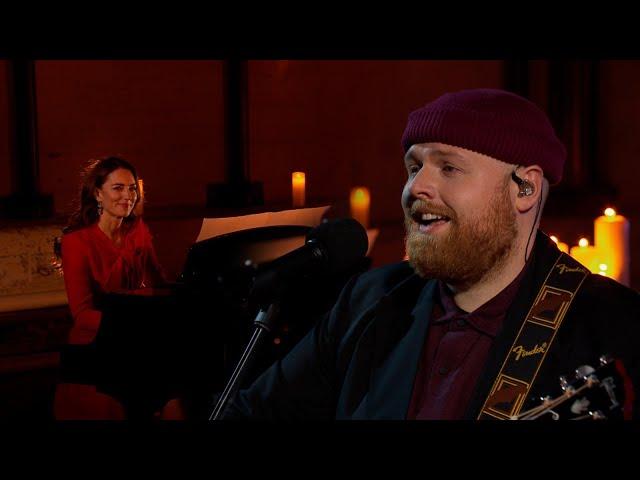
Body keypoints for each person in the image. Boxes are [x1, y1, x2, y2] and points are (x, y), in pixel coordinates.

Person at [218, 88, 640, 420]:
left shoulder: (610, 325)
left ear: (524, 188)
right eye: (414, 166)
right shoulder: (369, 301)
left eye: (448, 168)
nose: (415, 188)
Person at [53, 156, 182, 420]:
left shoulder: (139, 231)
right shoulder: (76, 242)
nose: (128, 195)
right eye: (118, 188)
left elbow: (159, 283)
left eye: (132, 188)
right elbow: (81, 314)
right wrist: (132, 325)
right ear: (98, 194)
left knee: (178, 382)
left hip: (139, 334)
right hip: (99, 340)